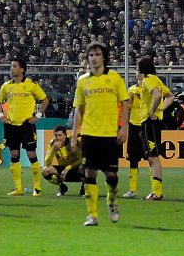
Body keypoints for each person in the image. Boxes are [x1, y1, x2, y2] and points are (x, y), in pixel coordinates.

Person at [71, 42, 130, 226]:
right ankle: (92, 215)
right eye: (91, 55)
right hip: (89, 133)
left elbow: (125, 104)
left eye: (97, 54)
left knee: (111, 176)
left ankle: (111, 202)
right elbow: (79, 110)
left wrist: (124, 128)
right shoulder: (82, 81)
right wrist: (74, 136)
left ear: (104, 57)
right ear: (87, 59)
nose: (94, 58)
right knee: (89, 172)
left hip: (110, 133)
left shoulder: (115, 79)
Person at [0, 58, 50, 196]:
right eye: (10, 66)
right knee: (14, 154)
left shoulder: (31, 84)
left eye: (14, 66)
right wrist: (1, 116)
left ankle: (37, 188)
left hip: (26, 124)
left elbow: (45, 100)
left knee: (31, 154)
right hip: (11, 125)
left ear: (22, 69)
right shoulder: (6, 86)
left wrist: (37, 116)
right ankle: (18, 188)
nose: (11, 68)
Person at [138, 56, 174, 201]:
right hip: (152, 122)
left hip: (149, 122)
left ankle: (157, 192)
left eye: (137, 68)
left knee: (153, 157)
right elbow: (170, 96)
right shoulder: (156, 79)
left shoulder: (148, 80)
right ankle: (155, 190)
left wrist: (152, 111)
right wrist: (160, 110)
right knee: (152, 157)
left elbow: (158, 95)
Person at [41, 125, 83, 196]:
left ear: (65, 135)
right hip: (62, 172)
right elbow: (47, 164)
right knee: (45, 171)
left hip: (76, 169)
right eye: (56, 135)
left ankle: (84, 188)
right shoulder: (52, 144)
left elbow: (81, 159)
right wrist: (53, 151)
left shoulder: (73, 143)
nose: (58, 138)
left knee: (86, 167)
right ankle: (62, 187)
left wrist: (68, 168)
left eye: (60, 135)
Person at [123, 73, 145, 198]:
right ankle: (133, 189)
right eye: (137, 71)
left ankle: (155, 189)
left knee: (151, 158)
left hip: (146, 125)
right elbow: (128, 108)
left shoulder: (150, 89)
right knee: (132, 159)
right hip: (134, 126)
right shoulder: (131, 90)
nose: (139, 73)